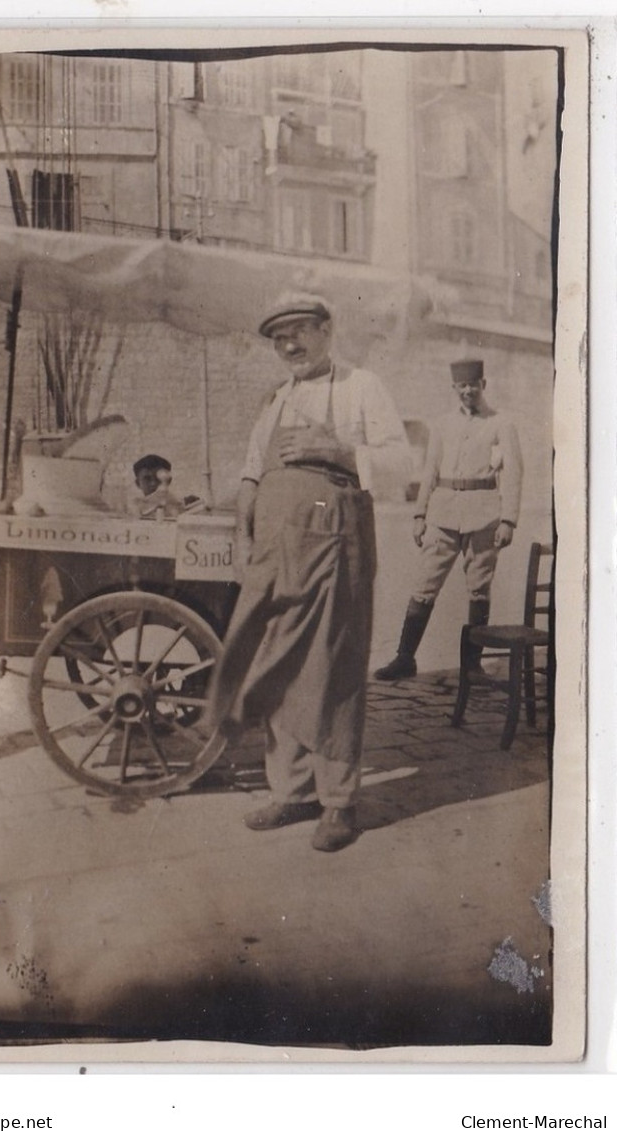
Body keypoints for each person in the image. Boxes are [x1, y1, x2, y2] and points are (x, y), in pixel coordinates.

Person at [206, 294, 410, 852]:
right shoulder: (275, 399)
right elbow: (251, 475)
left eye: (299, 332)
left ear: (326, 331)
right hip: (276, 550)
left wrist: (339, 450)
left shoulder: (361, 387)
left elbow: (402, 463)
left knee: (332, 667)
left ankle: (338, 804)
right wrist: (244, 535)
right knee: (276, 663)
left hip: (334, 548)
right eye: (279, 339)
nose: (289, 345)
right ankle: (291, 792)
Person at [374, 358, 523, 681]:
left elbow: (512, 473)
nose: (468, 391)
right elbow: (429, 471)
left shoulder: (501, 424)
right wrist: (419, 514)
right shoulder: (441, 424)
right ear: (454, 388)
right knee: (424, 585)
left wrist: (508, 520)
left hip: (484, 517)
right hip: (442, 516)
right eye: (462, 386)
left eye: (473, 385)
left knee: (479, 590)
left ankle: (472, 666)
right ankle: (404, 658)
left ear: (484, 385)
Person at [129, 453, 183, 518]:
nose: (153, 483)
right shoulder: (133, 507)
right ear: (138, 483)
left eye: (158, 479)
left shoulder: (177, 505)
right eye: (147, 479)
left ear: (168, 481)